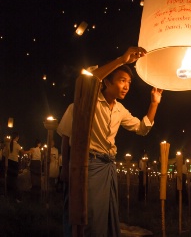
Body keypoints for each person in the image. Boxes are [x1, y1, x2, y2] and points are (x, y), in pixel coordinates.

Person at [57, 46, 163, 237]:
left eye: (129, 82)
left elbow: (141, 128)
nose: (126, 86)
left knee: (105, 214)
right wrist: (122, 60)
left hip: (107, 166)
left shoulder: (120, 110)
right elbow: (66, 137)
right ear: (106, 82)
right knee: (86, 213)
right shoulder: (86, 102)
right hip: (87, 165)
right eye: (122, 80)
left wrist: (154, 103)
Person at [7, 132, 24, 203]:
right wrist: (29, 151)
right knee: (15, 180)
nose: (18, 138)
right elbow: (22, 152)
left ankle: (9, 196)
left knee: (10, 179)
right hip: (14, 163)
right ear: (16, 137)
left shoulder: (9, 144)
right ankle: (18, 197)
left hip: (9, 162)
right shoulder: (17, 145)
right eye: (18, 137)